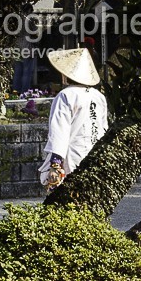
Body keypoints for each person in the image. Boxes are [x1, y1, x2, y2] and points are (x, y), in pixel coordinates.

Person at [42, 47, 109, 191]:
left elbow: (59, 131)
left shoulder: (66, 95)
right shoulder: (99, 96)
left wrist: (55, 164)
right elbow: (104, 129)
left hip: (72, 156)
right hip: (95, 156)